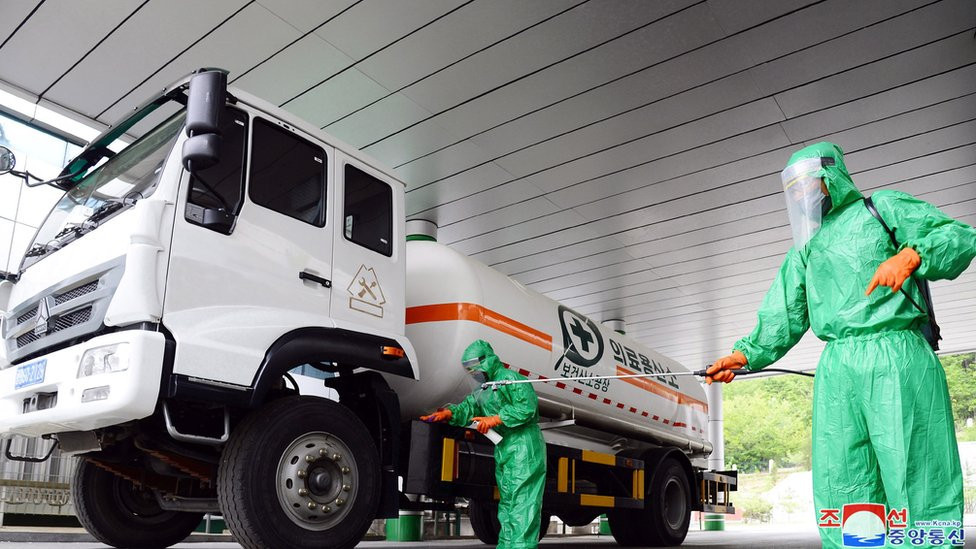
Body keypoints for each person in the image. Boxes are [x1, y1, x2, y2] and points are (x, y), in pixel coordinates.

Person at [706, 142, 976, 548]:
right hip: (837, 369)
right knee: (845, 476)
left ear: (831, 176)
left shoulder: (881, 209)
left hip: (896, 356)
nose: (801, 195)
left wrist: (910, 256)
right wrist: (745, 354)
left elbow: (958, 236)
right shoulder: (806, 249)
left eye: (807, 183)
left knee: (917, 469)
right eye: (793, 189)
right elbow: (784, 312)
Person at [421, 339, 547, 549]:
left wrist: (495, 419)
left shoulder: (510, 379)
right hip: (505, 447)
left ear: (487, 360)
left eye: (474, 366)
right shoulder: (483, 390)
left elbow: (527, 408)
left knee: (523, 503)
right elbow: (468, 408)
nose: (473, 372)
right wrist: (449, 413)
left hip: (525, 446)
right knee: (507, 503)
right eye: (468, 368)